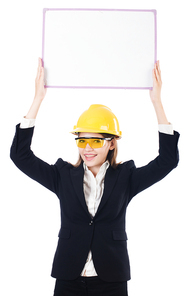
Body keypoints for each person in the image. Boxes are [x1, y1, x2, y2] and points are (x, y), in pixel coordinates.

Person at [10, 58, 180, 296]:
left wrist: (157, 102)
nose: (87, 148)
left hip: (111, 278)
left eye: (96, 141)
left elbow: (167, 161)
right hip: (69, 276)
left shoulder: (126, 178)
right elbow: (20, 156)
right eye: (82, 140)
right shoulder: (62, 176)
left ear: (111, 143)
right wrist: (38, 99)